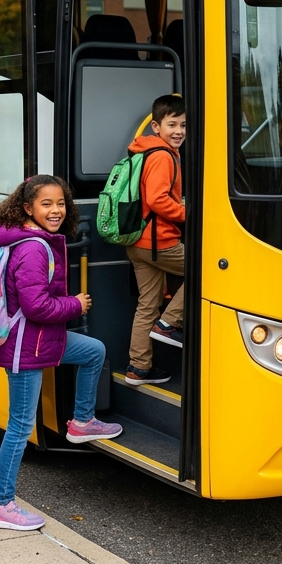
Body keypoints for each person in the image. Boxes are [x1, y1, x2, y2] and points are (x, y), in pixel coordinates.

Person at [0, 176, 121, 531]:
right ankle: (0, 504)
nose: (56, 210)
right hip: (27, 347)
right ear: (28, 208)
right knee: (20, 426)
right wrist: (75, 304)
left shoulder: (36, 239)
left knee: (93, 351)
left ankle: (81, 421)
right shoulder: (32, 248)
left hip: (44, 340)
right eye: (46, 204)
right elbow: (36, 307)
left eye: (60, 203)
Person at [124, 94, 187, 386]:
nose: (178, 131)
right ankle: (168, 323)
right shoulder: (162, 155)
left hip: (138, 241)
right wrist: (188, 213)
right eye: (172, 124)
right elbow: (158, 199)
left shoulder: (143, 151)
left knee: (146, 305)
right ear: (155, 126)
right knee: (207, 271)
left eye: (183, 125)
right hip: (159, 243)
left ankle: (138, 369)